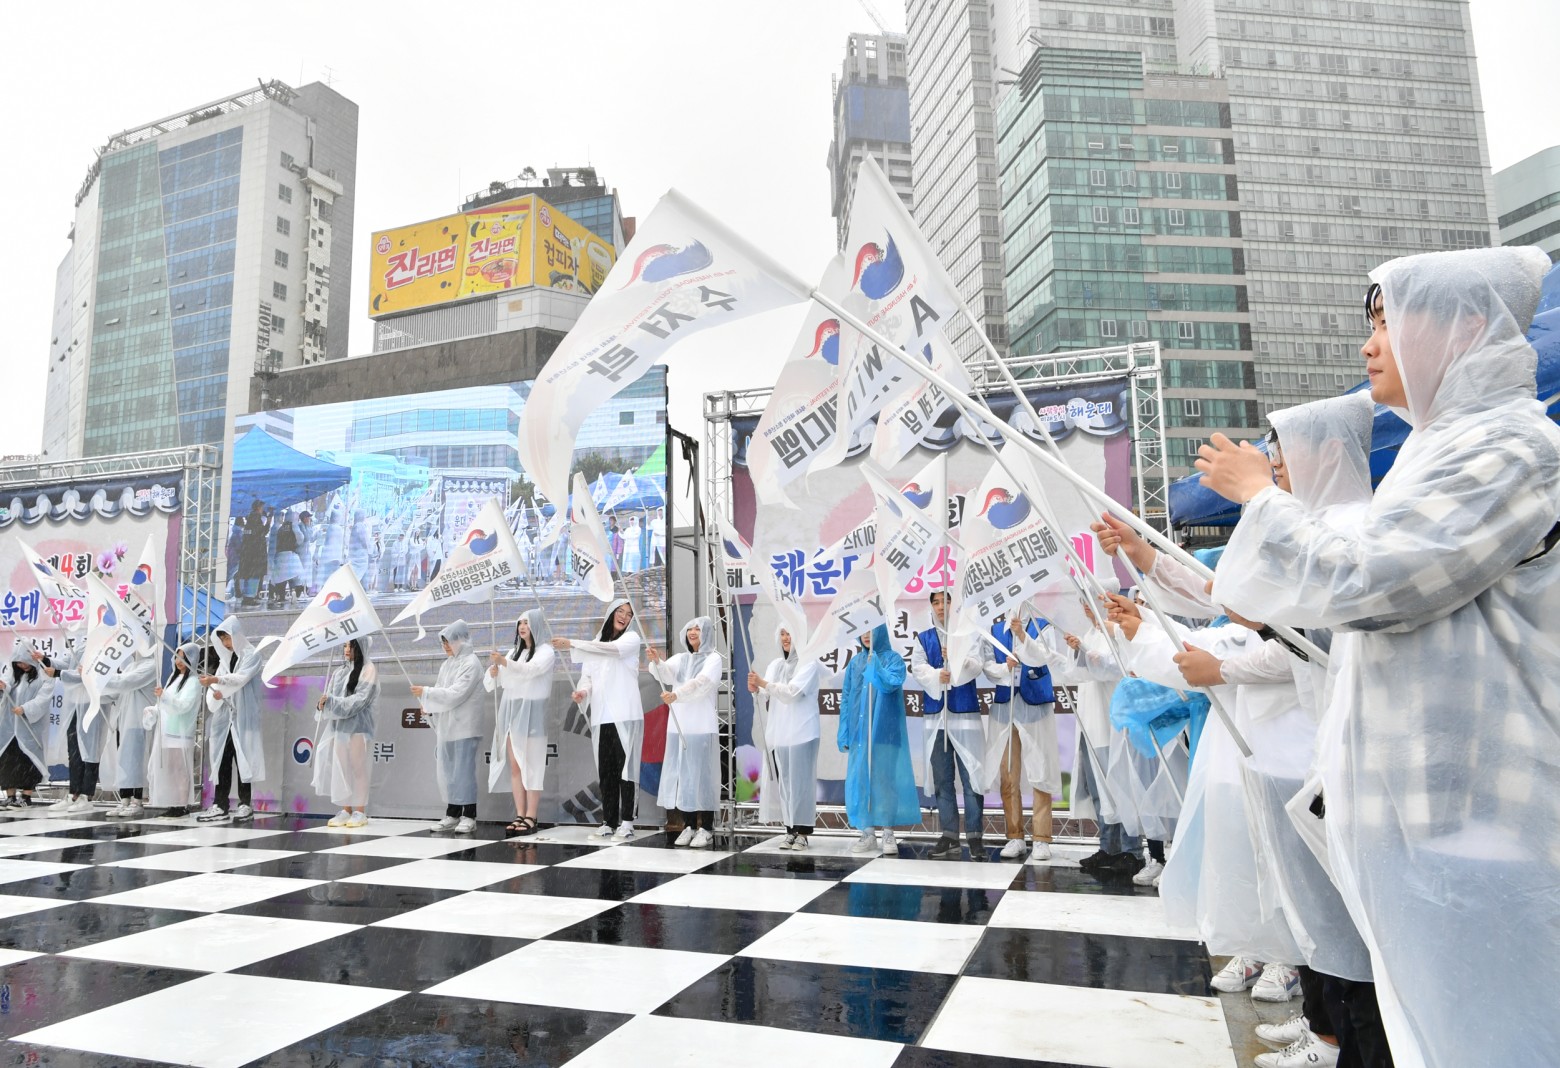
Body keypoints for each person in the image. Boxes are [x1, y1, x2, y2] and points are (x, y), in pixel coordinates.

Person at [1198, 246, 1559, 1068]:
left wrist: (1260, 496)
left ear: (1464, 326)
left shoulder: (1509, 447)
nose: (1369, 346)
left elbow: (1364, 580)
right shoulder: (1444, 446)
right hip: (1429, 812)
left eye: (1387, 323)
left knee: (1495, 1035)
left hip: (1481, 811)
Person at [554, 599, 644, 839]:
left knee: (627, 770)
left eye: (628, 614)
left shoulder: (631, 639)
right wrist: (582, 692)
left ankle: (627, 822)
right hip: (602, 717)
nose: (624, 616)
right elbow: (587, 677)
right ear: (611, 613)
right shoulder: (594, 644)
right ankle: (608, 821)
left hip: (626, 715)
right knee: (606, 771)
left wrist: (572, 643)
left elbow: (611, 650)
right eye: (620, 611)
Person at [911, 591, 987, 858]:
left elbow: (977, 665)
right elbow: (918, 668)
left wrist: (956, 658)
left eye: (946, 601)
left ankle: (975, 836)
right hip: (936, 718)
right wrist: (936, 675)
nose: (941, 606)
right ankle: (950, 835)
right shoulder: (924, 638)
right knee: (943, 781)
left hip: (965, 714)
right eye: (935, 602)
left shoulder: (969, 634)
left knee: (972, 778)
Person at [987, 607, 1061, 862]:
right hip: (1005, 707)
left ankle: (1041, 838)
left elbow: (1044, 657)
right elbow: (987, 665)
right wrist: (1003, 669)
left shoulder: (1042, 625)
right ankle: (1015, 836)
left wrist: (1022, 636)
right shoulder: (996, 630)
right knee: (1008, 773)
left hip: (1035, 705)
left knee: (1041, 771)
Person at [839, 624, 919, 854]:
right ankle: (867, 832)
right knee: (860, 781)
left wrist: (876, 666)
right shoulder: (855, 663)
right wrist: (845, 731)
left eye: (871, 630)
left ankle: (888, 831)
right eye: (862, 631)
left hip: (885, 733)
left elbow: (891, 683)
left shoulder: (893, 659)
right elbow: (847, 698)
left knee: (884, 781)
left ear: (880, 632)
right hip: (859, 734)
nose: (866, 635)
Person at [648, 617, 723, 847]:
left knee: (703, 777)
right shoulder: (681, 658)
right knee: (684, 777)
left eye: (698, 629)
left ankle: (706, 828)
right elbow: (664, 673)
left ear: (707, 633)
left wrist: (677, 695)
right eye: (690, 628)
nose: (692, 632)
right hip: (679, 726)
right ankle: (689, 825)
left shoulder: (713, 659)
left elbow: (701, 683)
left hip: (701, 727)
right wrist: (657, 661)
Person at [749, 625, 822, 850]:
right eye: (782, 633)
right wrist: (756, 688)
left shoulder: (809, 664)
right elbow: (766, 692)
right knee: (786, 784)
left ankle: (803, 833)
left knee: (802, 784)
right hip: (780, 734)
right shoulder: (776, 665)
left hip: (803, 733)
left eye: (790, 633)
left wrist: (763, 684)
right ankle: (790, 830)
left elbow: (792, 693)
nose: (786, 638)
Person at [486, 610, 556, 837]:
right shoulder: (514, 651)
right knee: (515, 765)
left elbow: (530, 671)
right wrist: (495, 670)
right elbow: (495, 680)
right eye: (520, 623)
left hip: (533, 712)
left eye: (527, 622)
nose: (522, 627)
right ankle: (519, 813)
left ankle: (531, 816)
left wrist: (504, 663)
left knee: (532, 764)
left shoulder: (546, 651)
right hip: (512, 711)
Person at [411, 620, 484, 834]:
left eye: (449, 642)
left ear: (461, 640)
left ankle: (469, 815)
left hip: (465, 727)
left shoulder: (471, 663)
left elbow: (456, 694)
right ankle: (452, 814)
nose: (445, 646)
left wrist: (427, 693)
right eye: (443, 643)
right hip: (448, 727)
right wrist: (428, 706)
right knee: (450, 772)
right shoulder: (447, 664)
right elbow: (441, 690)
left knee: (464, 772)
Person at [197, 615, 265, 822]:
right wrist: (216, 694)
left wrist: (217, 680)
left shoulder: (252, 655)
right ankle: (220, 804)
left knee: (244, 761)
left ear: (236, 635)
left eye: (227, 638)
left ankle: (245, 804)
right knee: (222, 761)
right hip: (225, 720)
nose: (226, 643)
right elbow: (217, 687)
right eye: (222, 640)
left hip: (244, 719)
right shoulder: (225, 660)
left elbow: (240, 679)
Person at [315, 637, 377, 828]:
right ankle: (346, 809)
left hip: (359, 727)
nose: (347, 649)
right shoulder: (339, 672)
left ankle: (360, 811)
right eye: (345, 645)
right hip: (339, 727)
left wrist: (334, 702)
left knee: (358, 767)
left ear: (361, 647)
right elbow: (330, 697)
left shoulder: (368, 669)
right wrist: (322, 704)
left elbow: (361, 699)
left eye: (351, 645)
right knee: (343, 768)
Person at [36, 642, 102, 813]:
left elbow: (90, 674)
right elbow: (67, 664)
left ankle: (86, 795)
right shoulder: (82, 645)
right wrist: (45, 660)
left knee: (90, 751)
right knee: (74, 751)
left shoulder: (103, 645)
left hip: (91, 705)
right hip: (74, 704)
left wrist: (59, 673)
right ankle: (74, 793)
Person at [146, 644, 206, 817]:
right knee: (171, 769)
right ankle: (174, 803)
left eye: (183, 658)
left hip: (181, 733)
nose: (179, 661)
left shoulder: (193, 682)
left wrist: (164, 696)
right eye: (177, 657)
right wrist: (153, 710)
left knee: (180, 769)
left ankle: (182, 804)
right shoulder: (173, 679)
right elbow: (164, 705)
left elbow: (183, 706)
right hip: (168, 732)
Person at [101, 648, 158, 819]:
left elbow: (126, 682)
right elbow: (116, 691)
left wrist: (100, 677)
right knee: (124, 763)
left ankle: (137, 801)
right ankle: (124, 800)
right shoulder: (131, 666)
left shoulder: (152, 666)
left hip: (139, 722)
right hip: (124, 722)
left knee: (138, 762)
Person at [0, 651, 47, 809]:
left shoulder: (42, 676)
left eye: (25, 662)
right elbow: (6, 684)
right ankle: (10, 796)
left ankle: (26, 797)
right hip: (9, 728)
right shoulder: (13, 675)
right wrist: (3, 687)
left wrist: (26, 709)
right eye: (18, 663)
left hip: (29, 727)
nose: (22, 665)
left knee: (29, 761)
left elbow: (43, 698)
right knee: (8, 761)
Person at [237, 501, 270, 606]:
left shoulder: (249, 521)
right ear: (259, 508)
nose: (262, 509)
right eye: (262, 507)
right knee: (253, 576)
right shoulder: (256, 519)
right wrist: (268, 521)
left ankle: (246, 597)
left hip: (247, 553)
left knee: (247, 575)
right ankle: (249, 598)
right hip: (255, 554)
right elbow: (262, 532)